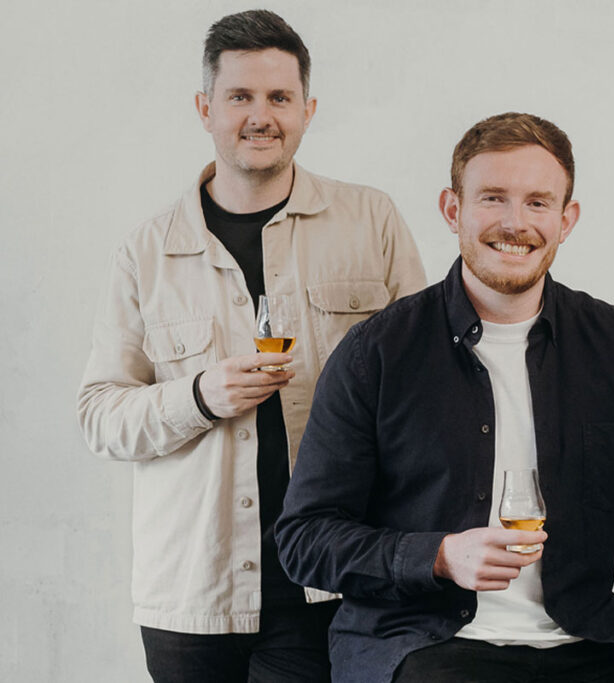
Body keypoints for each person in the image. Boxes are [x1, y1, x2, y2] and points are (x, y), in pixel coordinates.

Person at [275, 112, 614, 683]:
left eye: (538, 203)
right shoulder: (375, 353)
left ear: (566, 219)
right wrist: (439, 556)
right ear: (453, 210)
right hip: (427, 644)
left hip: (588, 638)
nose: (514, 223)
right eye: (493, 198)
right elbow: (305, 539)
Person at [77, 10, 425, 682]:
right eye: (239, 96)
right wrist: (200, 396)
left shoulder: (371, 221)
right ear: (205, 108)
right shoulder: (144, 252)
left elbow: (431, 385)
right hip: (192, 596)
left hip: (330, 581)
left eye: (278, 97)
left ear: (307, 109)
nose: (260, 115)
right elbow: (100, 414)